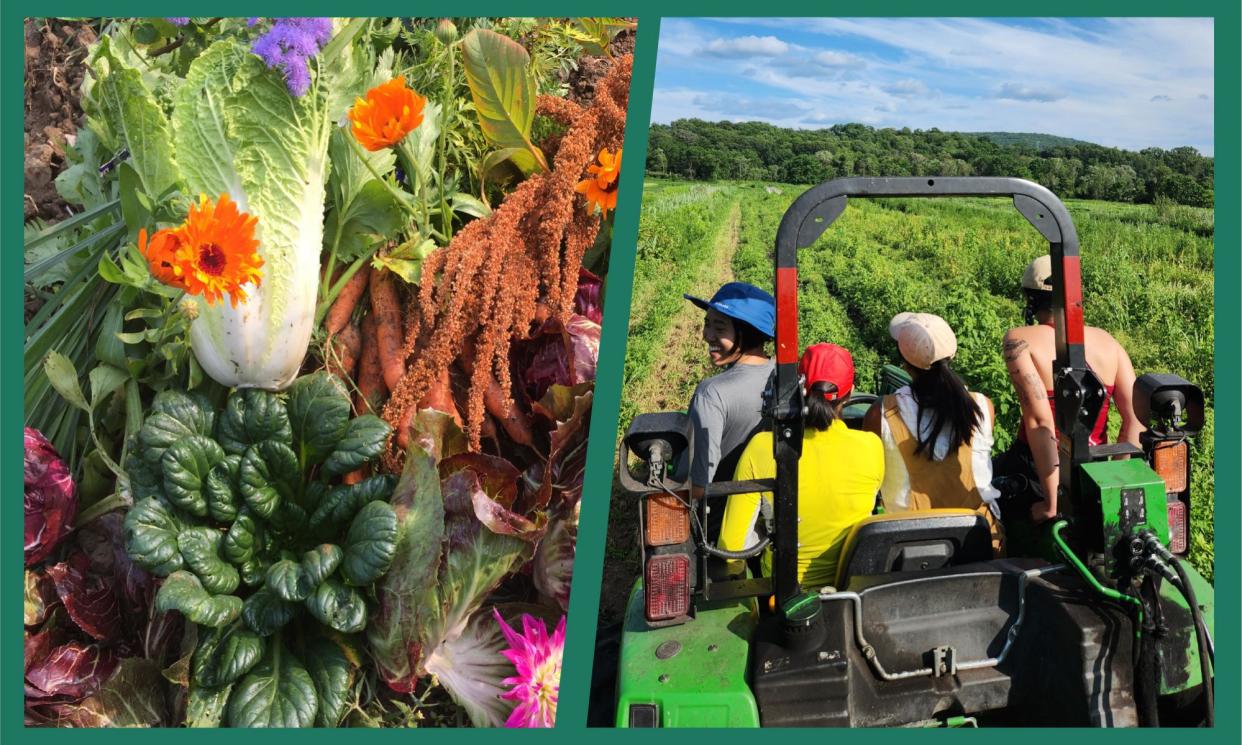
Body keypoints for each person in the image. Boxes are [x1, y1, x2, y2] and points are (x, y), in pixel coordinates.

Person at [720, 343, 883, 590]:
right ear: (849, 394)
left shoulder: (764, 448)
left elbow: (733, 548)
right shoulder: (872, 446)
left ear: (796, 388)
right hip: (851, 589)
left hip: (782, 593)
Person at [998, 255, 1143, 524]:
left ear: (1031, 299)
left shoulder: (1020, 339)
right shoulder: (1109, 342)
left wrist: (1052, 504)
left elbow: (1040, 421)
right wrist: (1117, 484)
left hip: (1038, 472)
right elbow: (1135, 419)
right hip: (1095, 470)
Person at [863, 312, 1003, 554]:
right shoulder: (982, 407)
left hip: (908, 546)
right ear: (953, 356)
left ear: (905, 364)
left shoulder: (882, 413)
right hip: (977, 542)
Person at [683, 282, 776, 503]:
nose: (707, 335)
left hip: (718, 516)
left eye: (720, 327)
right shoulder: (782, 376)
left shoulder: (712, 394)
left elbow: (698, 485)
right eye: (707, 324)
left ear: (747, 333)